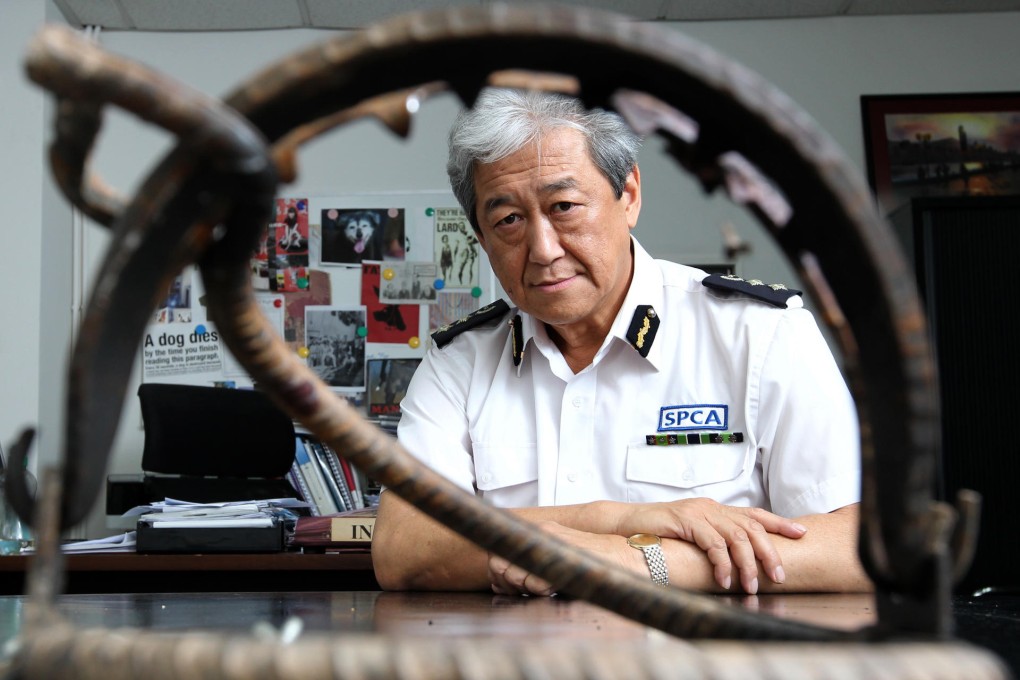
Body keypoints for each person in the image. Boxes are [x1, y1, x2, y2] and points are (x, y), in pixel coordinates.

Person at [372, 88, 869, 596]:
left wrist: (631, 561)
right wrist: (612, 519)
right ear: (482, 237)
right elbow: (403, 548)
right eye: (509, 221)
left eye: (564, 206)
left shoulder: (759, 334)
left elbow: (857, 548)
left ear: (628, 194)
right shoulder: (459, 360)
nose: (543, 250)